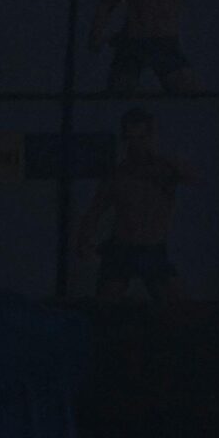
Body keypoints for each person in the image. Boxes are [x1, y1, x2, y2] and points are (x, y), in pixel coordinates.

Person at [71, 107, 196, 300]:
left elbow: (193, 177)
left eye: (142, 137)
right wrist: (83, 240)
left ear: (151, 137)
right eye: (132, 138)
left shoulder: (165, 169)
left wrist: (162, 158)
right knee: (106, 305)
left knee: (178, 305)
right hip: (122, 249)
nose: (137, 144)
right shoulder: (118, 174)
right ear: (125, 139)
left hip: (153, 249)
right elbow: (95, 210)